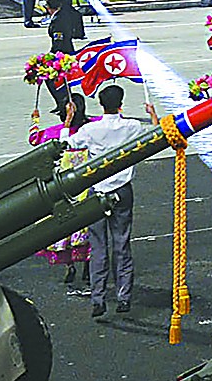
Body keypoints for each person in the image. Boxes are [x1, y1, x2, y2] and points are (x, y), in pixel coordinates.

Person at [68, 82, 138, 319]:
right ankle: (123, 295)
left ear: (100, 104)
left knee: (98, 247)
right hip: (123, 189)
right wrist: (153, 115)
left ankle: (98, 297)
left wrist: (69, 120)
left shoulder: (91, 130)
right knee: (122, 243)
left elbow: (70, 143)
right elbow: (156, 134)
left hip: (98, 192)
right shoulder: (132, 126)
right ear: (121, 103)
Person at [30, 93, 92, 291]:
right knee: (88, 225)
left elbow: (33, 139)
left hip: (65, 186)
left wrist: (35, 119)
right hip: (88, 183)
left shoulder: (54, 133)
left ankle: (70, 265)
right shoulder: (93, 128)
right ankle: (89, 265)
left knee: (67, 224)